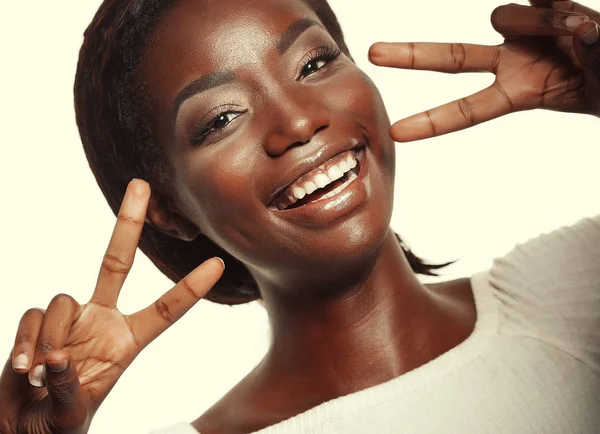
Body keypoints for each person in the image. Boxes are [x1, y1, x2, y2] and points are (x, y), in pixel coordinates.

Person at [1, 0, 599, 433]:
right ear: (169, 209)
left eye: (313, 64)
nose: (296, 122)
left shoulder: (576, 289)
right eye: (220, 119)